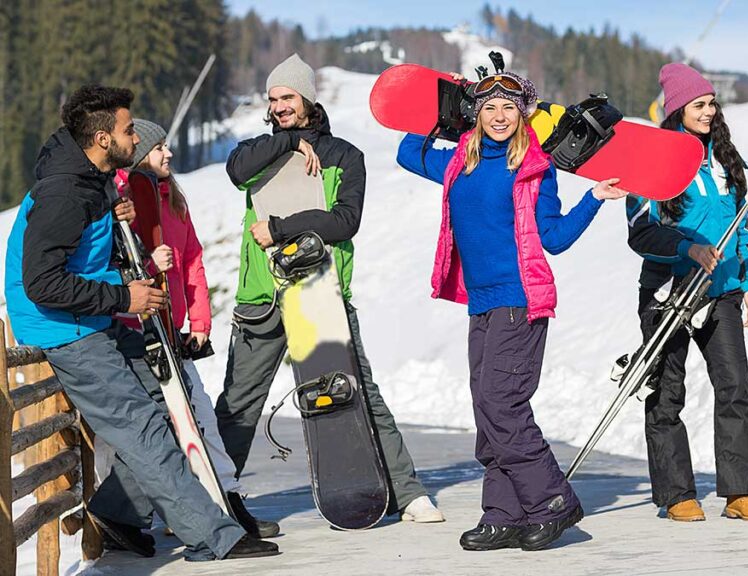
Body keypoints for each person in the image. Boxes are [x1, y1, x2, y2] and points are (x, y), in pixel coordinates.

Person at [3, 85, 278, 561]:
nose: (137, 137)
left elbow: (83, 253)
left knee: (168, 406)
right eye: (129, 130)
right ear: (103, 139)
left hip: (92, 312)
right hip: (64, 326)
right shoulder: (65, 192)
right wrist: (122, 297)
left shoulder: (94, 179)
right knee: (143, 424)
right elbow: (41, 283)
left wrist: (114, 219)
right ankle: (213, 537)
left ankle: (117, 514)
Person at [396, 69, 628, 551]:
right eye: (489, 107)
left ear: (523, 114)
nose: (499, 116)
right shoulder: (460, 161)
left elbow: (555, 238)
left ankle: (552, 501)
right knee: (488, 409)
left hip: (520, 301)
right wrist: (446, 106)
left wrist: (594, 199)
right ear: (475, 114)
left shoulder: (533, 167)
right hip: (480, 304)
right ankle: (502, 513)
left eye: (509, 107)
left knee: (504, 406)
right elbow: (406, 152)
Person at [213, 54, 443, 523]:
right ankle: (214, 499)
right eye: (273, 98)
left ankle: (407, 490)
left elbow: (344, 222)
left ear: (308, 100)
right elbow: (237, 171)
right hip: (261, 297)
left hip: (320, 295)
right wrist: (293, 141)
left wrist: (279, 228)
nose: (279, 106)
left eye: (288, 98)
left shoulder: (344, 156)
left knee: (360, 390)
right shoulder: (257, 152)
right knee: (239, 404)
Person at [92, 118, 279, 540]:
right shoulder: (122, 201)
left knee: (199, 420)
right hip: (133, 330)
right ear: (140, 156)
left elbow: (192, 261)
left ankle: (224, 499)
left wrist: (200, 322)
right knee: (147, 427)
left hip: (171, 331)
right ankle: (133, 515)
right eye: (160, 149)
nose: (169, 155)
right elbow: (111, 263)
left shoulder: (174, 200)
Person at [624, 62, 748, 523]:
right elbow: (639, 232)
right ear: (676, 111)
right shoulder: (653, 160)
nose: (708, 112)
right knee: (667, 393)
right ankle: (676, 493)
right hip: (668, 291)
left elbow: (740, 226)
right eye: (699, 105)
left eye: (711, 104)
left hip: (720, 291)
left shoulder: (727, 160)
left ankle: (741, 491)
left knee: (735, 387)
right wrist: (687, 247)